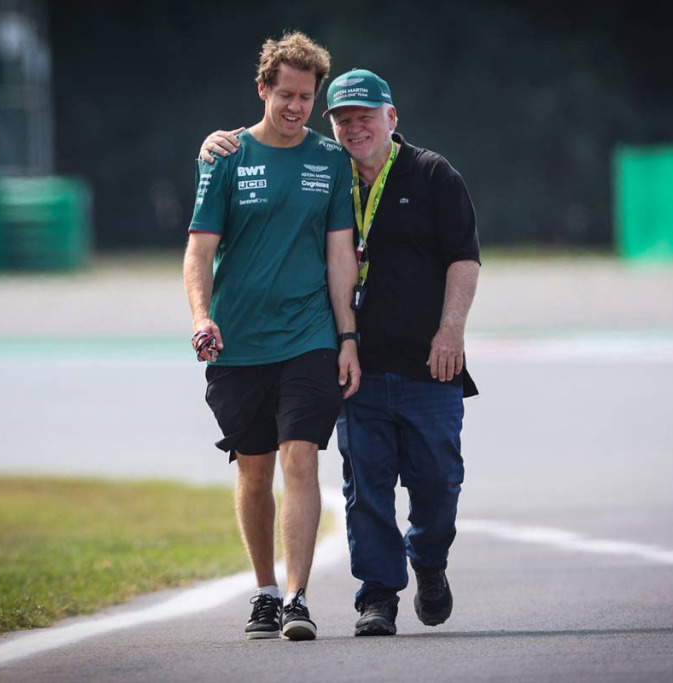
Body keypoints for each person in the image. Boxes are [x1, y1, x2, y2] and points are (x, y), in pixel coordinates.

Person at [200, 68, 480, 637]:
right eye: (344, 119)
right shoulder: (327, 170)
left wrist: (451, 331)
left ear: (391, 117)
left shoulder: (433, 174)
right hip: (353, 364)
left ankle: (429, 560)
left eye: (366, 117)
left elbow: (464, 259)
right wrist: (214, 145)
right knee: (364, 489)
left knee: (438, 484)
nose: (355, 128)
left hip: (430, 363)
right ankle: (376, 597)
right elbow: (269, 158)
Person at [183, 32, 360, 642]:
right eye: (286, 94)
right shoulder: (225, 156)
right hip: (239, 342)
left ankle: (296, 598)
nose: (295, 107)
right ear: (263, 89)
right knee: (254, 470)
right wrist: (201, 317)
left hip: (309, 336)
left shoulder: (330, 160)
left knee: (301, 456)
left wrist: (347, 336)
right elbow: (199, 251)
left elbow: (341, 256)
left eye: (306, 98)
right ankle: (263, 590)